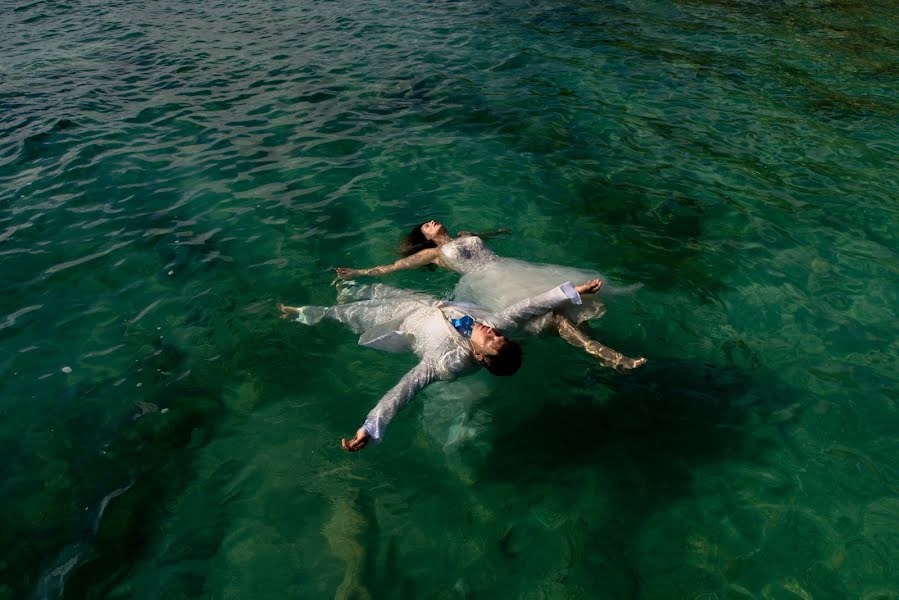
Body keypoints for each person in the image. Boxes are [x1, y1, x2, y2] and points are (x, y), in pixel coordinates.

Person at [279, 278, 604, 451]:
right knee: (381, 291)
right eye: (497, 336)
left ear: (480, 356)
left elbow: (402, 391)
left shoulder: (444, 363)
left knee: (348, 314)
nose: (491, 331)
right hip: (425, 303)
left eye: (491, 341)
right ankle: (350, 284)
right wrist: (572, 292)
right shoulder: (495, 325)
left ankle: (305, 314)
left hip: (402, 322)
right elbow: (532, 305)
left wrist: (370, 428)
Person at [336, 220, 646, 370]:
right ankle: (607, 355)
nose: (431, 223)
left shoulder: (463, 235)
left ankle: (600, 350)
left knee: (567, 306)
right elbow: (393, 267)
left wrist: (499, 232)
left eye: (431, 222)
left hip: (509, 269)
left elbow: (484, 238)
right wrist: (360, 273)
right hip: (489, 284)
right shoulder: (434, 254)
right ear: (425, 238)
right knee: (552, 316)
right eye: (425, 227)